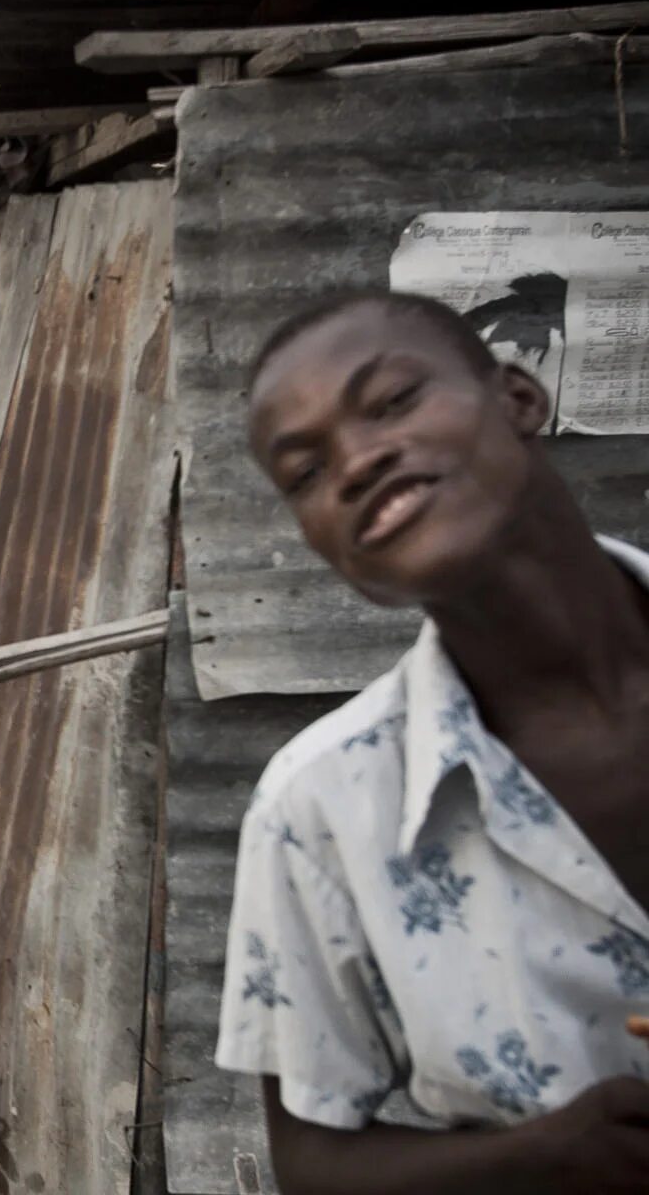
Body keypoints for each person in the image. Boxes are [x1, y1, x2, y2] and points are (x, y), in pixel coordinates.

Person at [216, 290, 649, 1195]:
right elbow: (312, 1160)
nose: (358, 461)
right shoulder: (318, 810)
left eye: (393, 402)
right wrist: (548, 1155)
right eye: (304, 472)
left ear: (520, 399)